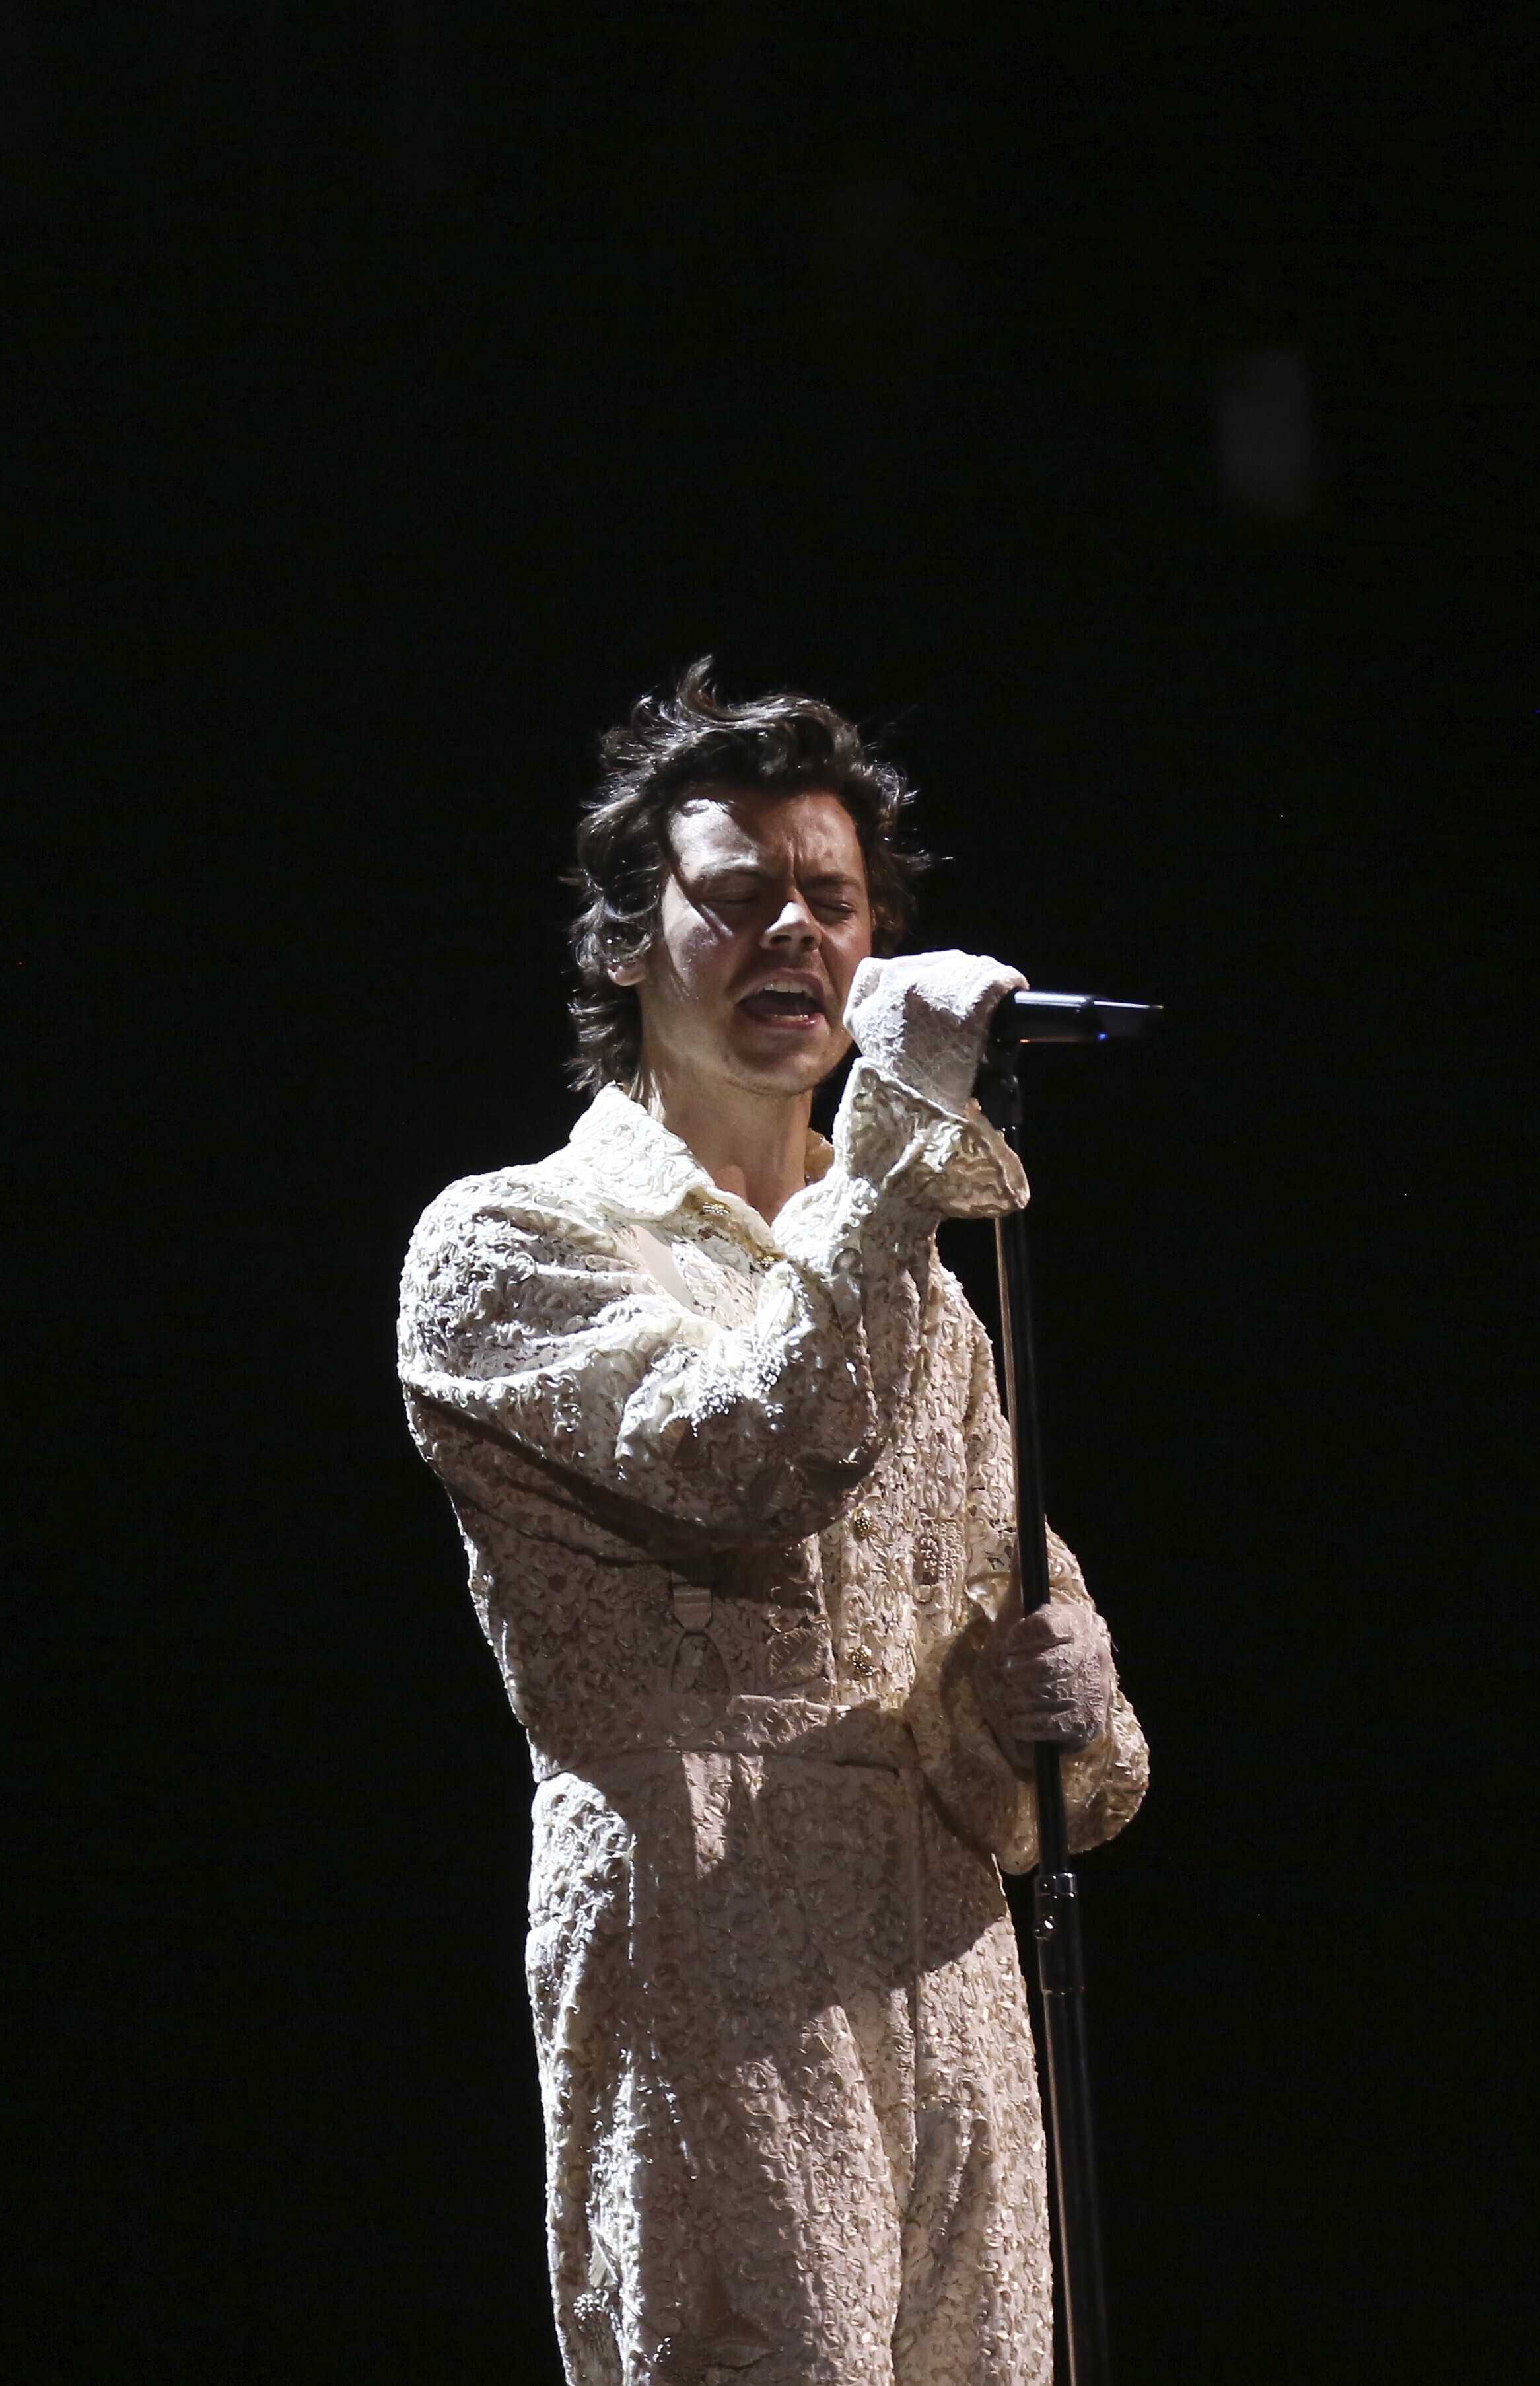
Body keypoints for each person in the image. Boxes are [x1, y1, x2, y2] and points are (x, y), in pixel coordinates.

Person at [396, 663, 1150, 2386]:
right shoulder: (512, 1244)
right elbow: (741, 1453)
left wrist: (1054, 1697)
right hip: (712, 1965)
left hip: (951, 1991)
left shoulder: (928, 1309)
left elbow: (1067, 1785)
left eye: (831, 899)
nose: (790, 931)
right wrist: (898, 1146)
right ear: (625, 942)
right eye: (736, 896)